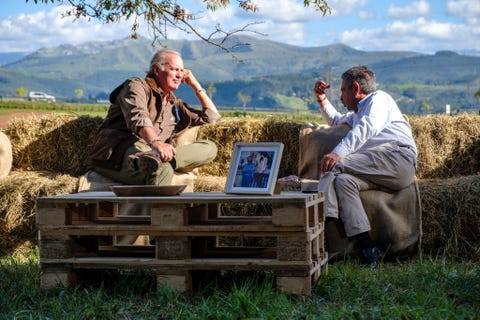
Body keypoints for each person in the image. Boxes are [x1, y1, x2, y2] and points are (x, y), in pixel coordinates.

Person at [313, 66, 417, 266]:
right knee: (344, 182)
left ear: (355, 88)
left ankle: (321, 234)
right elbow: (336, 120)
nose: (341, 97)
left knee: (332, 166)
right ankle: (369, 249)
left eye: (343, 90)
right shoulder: (357, 113)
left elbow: (366, 128)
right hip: (381, 167)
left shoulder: (378, 100)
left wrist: (337, 153)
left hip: (397, 158)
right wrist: (320, 97)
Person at [86, 49, 221, 186]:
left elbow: (212, 118)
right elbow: (138, 117)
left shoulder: (174, 104)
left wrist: (196, 85)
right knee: (162, 170)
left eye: (182, 71)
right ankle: (157, 165)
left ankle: (160, 160)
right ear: (157, 70)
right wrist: (157, 143)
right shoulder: (136, 85)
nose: (180, 75)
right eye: (174, 69)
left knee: (210, 147)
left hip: (154, 155)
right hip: (119, 154)